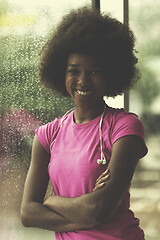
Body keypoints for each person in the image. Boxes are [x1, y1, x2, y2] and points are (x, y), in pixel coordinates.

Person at [21, 6, 148, 240]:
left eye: (94, 72)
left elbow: (99, 208)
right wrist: (86, 217)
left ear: (110, 74)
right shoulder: (48, 135)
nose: (83, 80)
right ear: (61, 74)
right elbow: (28, 213)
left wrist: (50, 201)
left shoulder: (125, 127)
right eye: (74, 71)